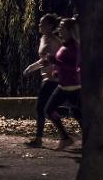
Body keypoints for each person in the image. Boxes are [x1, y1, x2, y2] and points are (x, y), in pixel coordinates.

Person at [42, 17, 82, 150]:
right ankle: (65, 138)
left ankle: (89, 139)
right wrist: (57, 71)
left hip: (73, 86)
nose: (59, 29)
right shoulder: (64, 44)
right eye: (59, 27)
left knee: (78, 114)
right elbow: (63, 65)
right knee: (49, 110)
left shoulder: (74, 47)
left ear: (70, 30)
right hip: (63, 85)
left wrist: (55, 62)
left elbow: (74, 67)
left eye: (62, 27)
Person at [23, 13, 62, 148]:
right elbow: (43, 59)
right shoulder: (43, 39)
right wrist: (31, 68)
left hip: (53, 78)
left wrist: (33, 68)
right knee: (48, 109)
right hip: (46, 77)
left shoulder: (55, 41)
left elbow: (53, 60)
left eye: (42, 24)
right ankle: (64, 136)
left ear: (50, 26)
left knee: (42, 108)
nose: (39, 25)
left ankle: (39, 139)